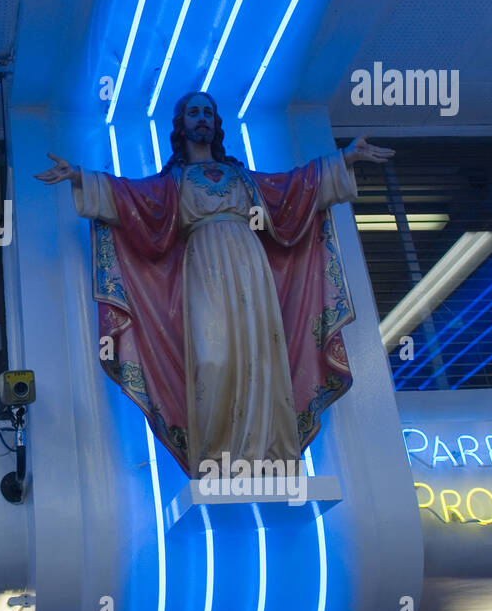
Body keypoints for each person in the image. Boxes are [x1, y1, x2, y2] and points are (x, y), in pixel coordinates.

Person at [35, 91, 391, 476]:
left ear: (216, 124)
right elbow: (128, 197)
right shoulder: (172, 183)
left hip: (251, 264)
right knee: (211, 356)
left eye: (208, 112)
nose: (202, 118)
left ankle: (273, 454)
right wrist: (79, 177)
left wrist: (343, 160)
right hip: (202, 266)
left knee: (262, 354)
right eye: (193, 112)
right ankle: (217, 457)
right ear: (181, 125)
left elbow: (293, 188)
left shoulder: (241, 177)